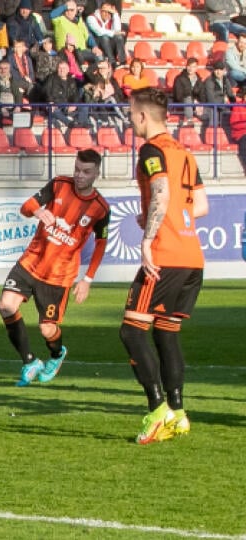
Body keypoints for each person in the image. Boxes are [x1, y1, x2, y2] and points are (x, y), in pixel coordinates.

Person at [121, 87, 209, 444]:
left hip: (165, 253)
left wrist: (147, 238)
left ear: (143, 116)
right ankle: (179, 413)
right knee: (165, 333)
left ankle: (157, 411)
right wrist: (162, 216)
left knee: (131, 331)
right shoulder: (185, 154)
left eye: (131, 113)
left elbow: (161, 191)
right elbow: (200, 206)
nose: (130, 120)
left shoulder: (151, 150)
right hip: (192, 257)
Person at [0, 149, 110, 386]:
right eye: (77, 169)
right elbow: (26, 206)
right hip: (32, 261)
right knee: (5, 305)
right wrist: (38, 210)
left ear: (97, 173)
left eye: (86, 172)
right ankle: (29, 361)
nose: (79, 175)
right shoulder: (59, 184)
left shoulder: (101, 208)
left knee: (47, 329)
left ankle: (57, 355)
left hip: (59, 276)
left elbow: (101, 244)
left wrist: (87, 279)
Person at [0, 59, 26, 127]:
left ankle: (20, 136)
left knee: (28, 115)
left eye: (5, 68)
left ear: (9, 69)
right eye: (1, 68)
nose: (3, 71)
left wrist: (18, 106)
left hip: (12, 108)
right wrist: (1, 107)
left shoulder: (13, 80)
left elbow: (18, 94)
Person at [85, 0, 125, 67]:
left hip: (108, 44)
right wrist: (114, 32)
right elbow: (99, 32)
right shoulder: (91, 18)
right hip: (96, 44)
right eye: (104, 11)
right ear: (100, 10)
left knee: (119, 37)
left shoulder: (110, 17)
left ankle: (122, 61)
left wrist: (115, 14)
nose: (107, 14)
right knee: (104, 37)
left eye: (109, 12)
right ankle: (112, 61)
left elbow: (117, 30)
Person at [173, 58, 202, 127]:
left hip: (195, 105)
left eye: (193, 66)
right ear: (186, 66)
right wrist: (193, 100)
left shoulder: (199, 80)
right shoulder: (179, 78)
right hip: (182, 103)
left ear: (196, 68)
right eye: (189, 66)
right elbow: (178, 96)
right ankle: (189, 121)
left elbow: (202, 94)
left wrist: (199, 103)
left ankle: (213, 128)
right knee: (188, 98)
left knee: (211, 111)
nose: (190, 68)